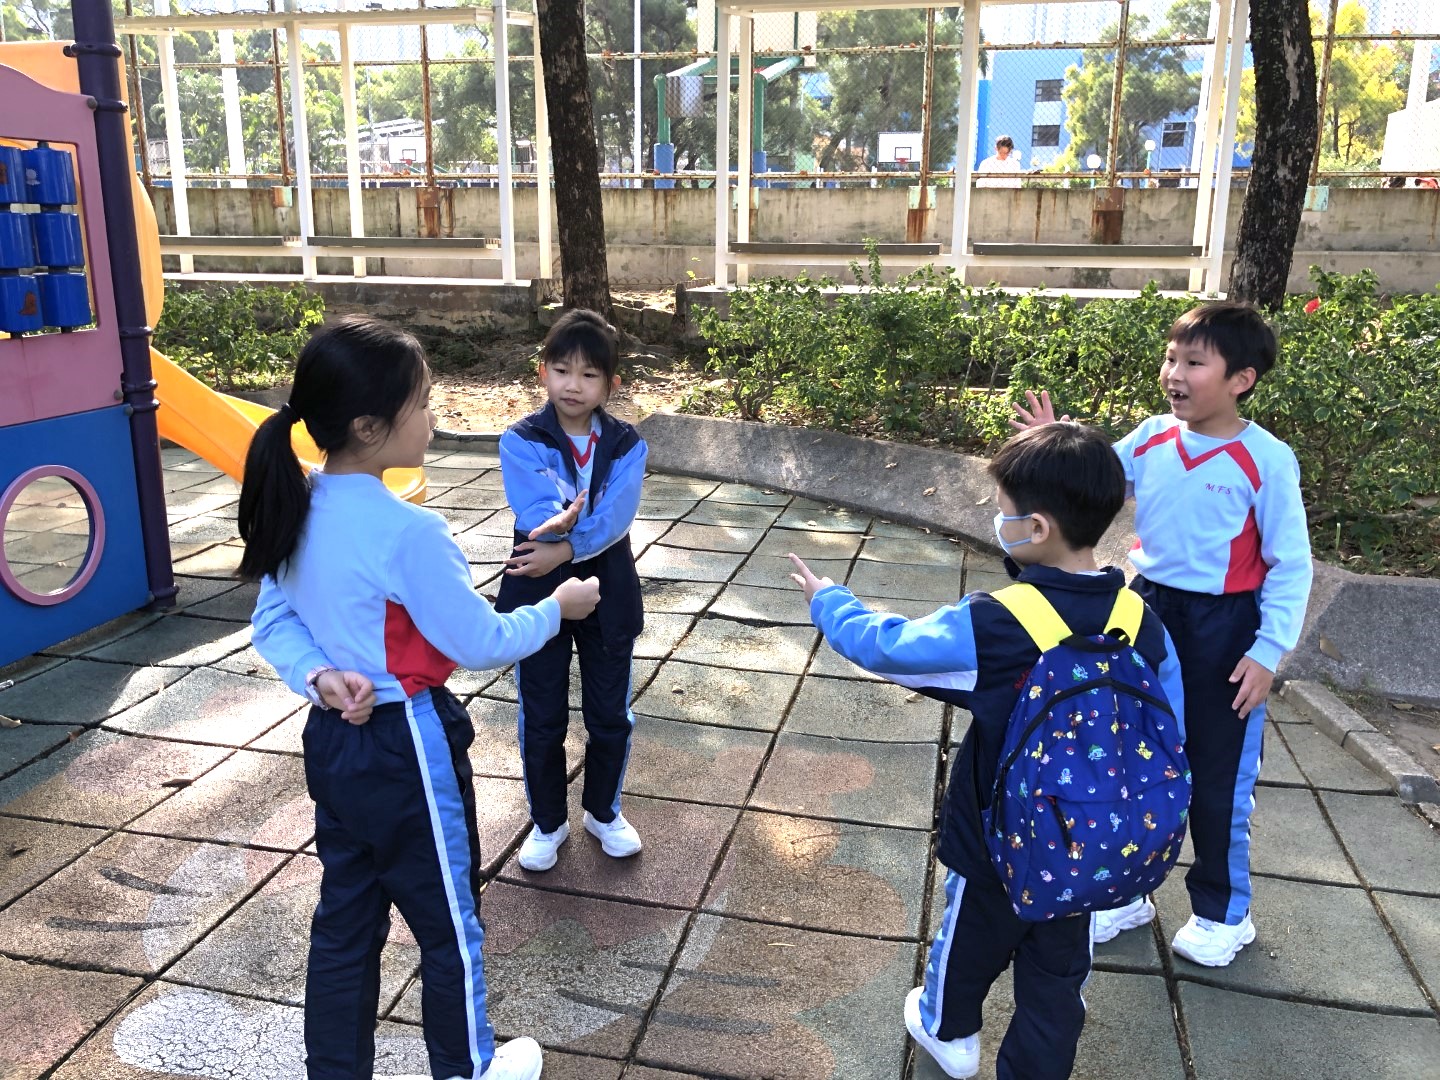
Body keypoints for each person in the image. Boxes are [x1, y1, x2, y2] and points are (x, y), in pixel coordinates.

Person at [240, 315, 601, 1080]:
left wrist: (318, 676)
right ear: (369, 426)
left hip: (334, 741)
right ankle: (468, 1067)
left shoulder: (298, 504)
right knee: (449, 926)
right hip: (408, 745)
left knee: (345, 924)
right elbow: (480, 640)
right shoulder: (408, 531)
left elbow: (272, 620)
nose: (434, 418)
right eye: (424, 402)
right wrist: (558, 607)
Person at [789, 423, 1184, 1080]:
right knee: (1059, 976)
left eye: (1004, 512)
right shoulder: (1139, 617)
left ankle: (949, 1033)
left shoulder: (999, 621)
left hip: (998, 835)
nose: (999, 523)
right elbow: (1170, 726)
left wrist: (830, 601)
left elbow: (889, 648)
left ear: (1038, 527)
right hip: (1091, 839)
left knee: (968, 939)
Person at [1012, 302, 1312, 968]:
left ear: (1242, 379)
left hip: (1225, 631)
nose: (1174, 373)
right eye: (1171, 358)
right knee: (1127, 758)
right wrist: (1054, 444)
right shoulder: (1152, 437)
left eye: (1193, 362)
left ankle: (1223, 913)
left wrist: (1267, 652)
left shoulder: (1266, 459)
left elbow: (1292, 564)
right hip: (1144, 613)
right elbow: (1093, 483)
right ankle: (1128, 892)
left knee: (1218, 776)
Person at [495, 308, 648, 872]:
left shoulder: (627, 445)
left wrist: (566, 546)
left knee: (610, 714)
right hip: (537, 590)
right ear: (543, 373)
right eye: (561, 370)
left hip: (607, 591)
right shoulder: (521, 439)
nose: (573, 385)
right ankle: (548, 822)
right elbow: (535, 509)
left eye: (588, 374)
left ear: (611, 384)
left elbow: (616, 518)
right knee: (542, 716)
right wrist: (555, 528)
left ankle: (603, 812)